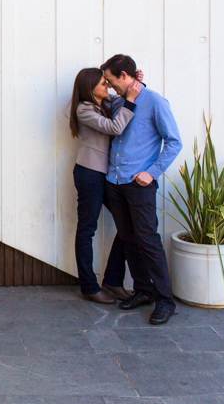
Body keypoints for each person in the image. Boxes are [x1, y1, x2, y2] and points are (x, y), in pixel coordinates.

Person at [101, 54, 182, 325]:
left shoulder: (156, 102)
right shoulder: (118, 102)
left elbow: (173, 142)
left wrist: (152, 172)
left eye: (112, 81)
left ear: (124, 76)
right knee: (128, 239)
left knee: (148, 241)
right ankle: (144, 290)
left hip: (139, 184)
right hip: (115, 181)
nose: (110, 86)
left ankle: (165, 301)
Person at [69, 67, 142, 304]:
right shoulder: (84, 110)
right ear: (89, 87)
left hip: (107, 174)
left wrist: (135, 82)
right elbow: (114, 128)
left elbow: (124, 95)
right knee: (87, 229)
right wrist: (130, 100)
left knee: (127, 223)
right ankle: (89, 286)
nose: (107, 86)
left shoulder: (106, 102)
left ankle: (112, 279)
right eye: (103, 83)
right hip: (90, 174)